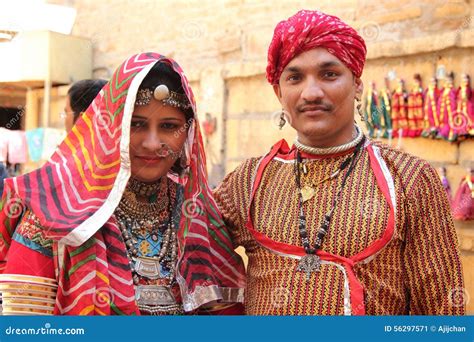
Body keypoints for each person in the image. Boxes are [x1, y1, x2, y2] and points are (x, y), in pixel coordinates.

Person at [213, 10, 465, 315]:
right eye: (294, 77)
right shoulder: (248, 182)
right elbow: (183, 241)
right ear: (279, 92)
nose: (311, 92)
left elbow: (443, 315)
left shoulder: (409, 179)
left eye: (329, 74)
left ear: (357, 84)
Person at [0, 52, 245, 315]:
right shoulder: (54, 213)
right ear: (110, 126)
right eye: (136, 124)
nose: (152, 143)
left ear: (187, 132)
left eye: (168, 126)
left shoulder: (200, 218)